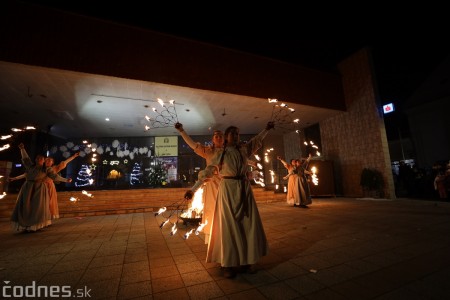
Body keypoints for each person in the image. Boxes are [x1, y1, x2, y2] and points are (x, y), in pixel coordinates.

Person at [206, 121, 274, 278]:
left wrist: (266, 129)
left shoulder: (244, 149)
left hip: (244, 189)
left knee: (247, 225)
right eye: (232, 134)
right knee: (228, 227)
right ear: (226, 137)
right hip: (228, 189)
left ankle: (248, 261)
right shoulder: (220, 153)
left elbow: (256, 141)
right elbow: (209, 170)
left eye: (237, 134)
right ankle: (227, 264)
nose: (236, 136)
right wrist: (193, 189)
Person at [175, 122, 224, 244]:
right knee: (212, 211)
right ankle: (214, 239)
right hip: (211, 184)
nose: (218, 137)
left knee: (225, 212)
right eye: (216, 135)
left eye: (220, 135)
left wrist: (251, 163)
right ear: (212, 139)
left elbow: (242, 159)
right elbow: (192, 144)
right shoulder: (208, 151)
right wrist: (182, 131)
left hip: (226, 184)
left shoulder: (229, 152)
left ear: (224, 139)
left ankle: (226, 236)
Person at [10, 143, 72, 232]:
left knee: (37, 207)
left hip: (39, 189)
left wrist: (66, 180)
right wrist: (22, 149)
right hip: (27, 188)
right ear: (35, 159)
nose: (39, 160)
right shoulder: (30, 167)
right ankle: (25, 225)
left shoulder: (46, 169)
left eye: (41, 159)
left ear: (43, 161)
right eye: (38, 158)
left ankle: (34, 225)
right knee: (26, 206)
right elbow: (25, 159)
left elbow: (55, 176)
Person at [44, 152, 79, 219]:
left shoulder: (54, 168)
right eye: (46, 160)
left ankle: (48, 217)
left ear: (52, 162)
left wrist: (73, 157)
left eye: (49, 160)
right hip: (40, 187)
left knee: (49, 202)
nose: (47, 161)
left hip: (49, 187)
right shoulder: (40, 169)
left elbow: (64, 163)